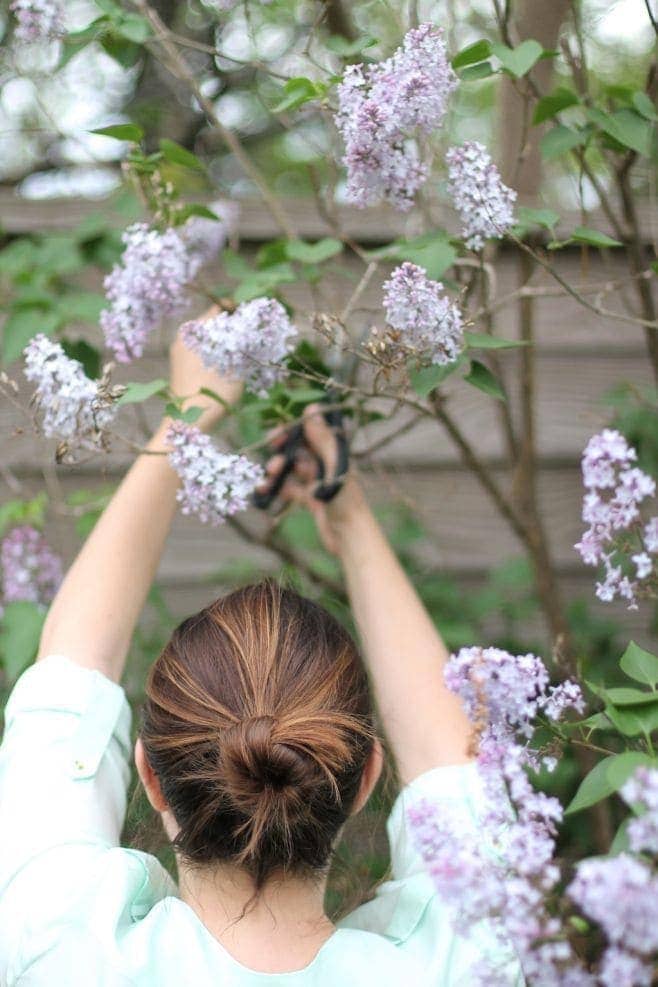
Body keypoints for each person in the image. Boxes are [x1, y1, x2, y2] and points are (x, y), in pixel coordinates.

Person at [0, 320, 523, 986]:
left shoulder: (61, 944)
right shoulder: (465, 959)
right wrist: (348, 513)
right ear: (365, 777)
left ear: (150, 777)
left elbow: (73, 660)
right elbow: (452, 768)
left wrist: (188, 419)